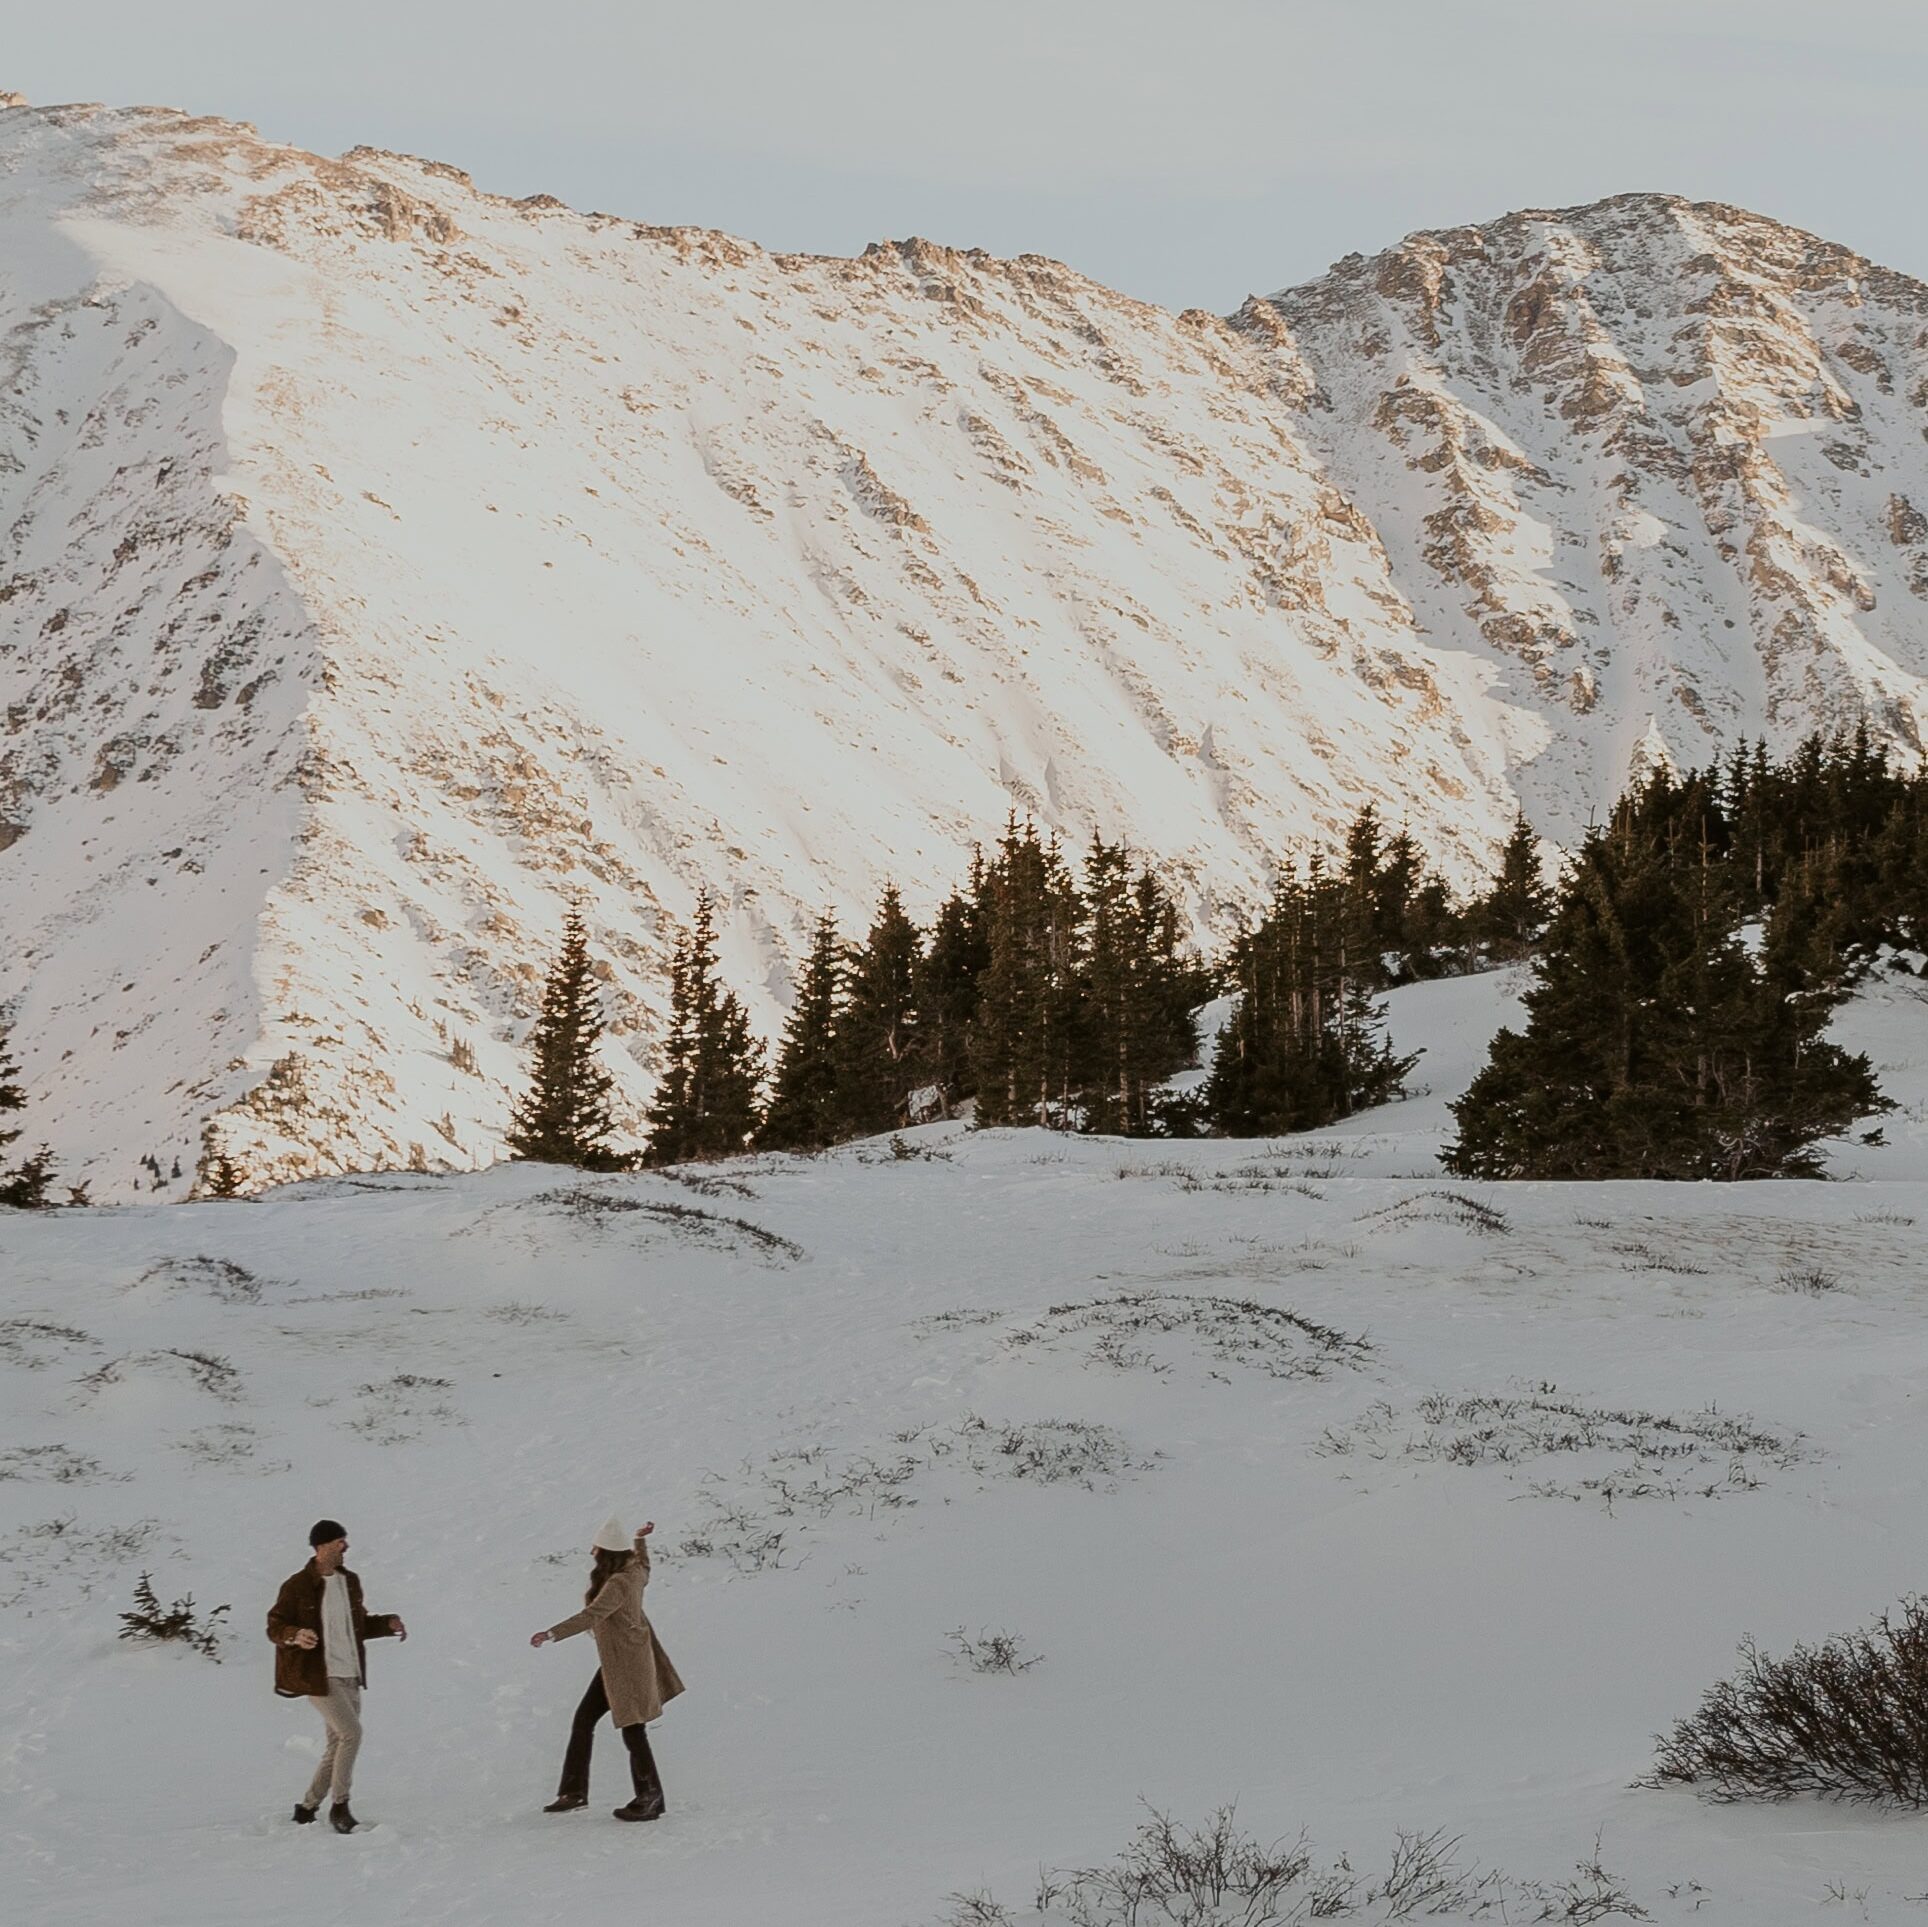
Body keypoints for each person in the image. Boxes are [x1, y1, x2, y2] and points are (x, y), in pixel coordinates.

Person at [530, 1515, 684, 1820]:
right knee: (584, 1718)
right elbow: (645, 1563)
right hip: (620, 1664)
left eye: (596, 1548)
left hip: (627, 1666)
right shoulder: (635, 1571)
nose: (592, 1553)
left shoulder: (618, 1583)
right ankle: (573, 1793)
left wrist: (551, 1633)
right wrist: (640, 1539)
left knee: (633, 1729)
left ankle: (650, 1797)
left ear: (607, 1553)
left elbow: (593, 1615)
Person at [266, 1519, 408, 1833]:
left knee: (337, 1744)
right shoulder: (297, 1585)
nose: (346, 1547)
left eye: (344, 1541)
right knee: (351, 1735)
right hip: (318, 1675)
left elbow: (358, 1626)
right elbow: (274, 1626)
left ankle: (306, 1808)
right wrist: (295, 1634)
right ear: (322, 1546)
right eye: (340, 1542)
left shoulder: (350, 1582)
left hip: (350, 1673)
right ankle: (340, 1806)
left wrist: (387, 1625)